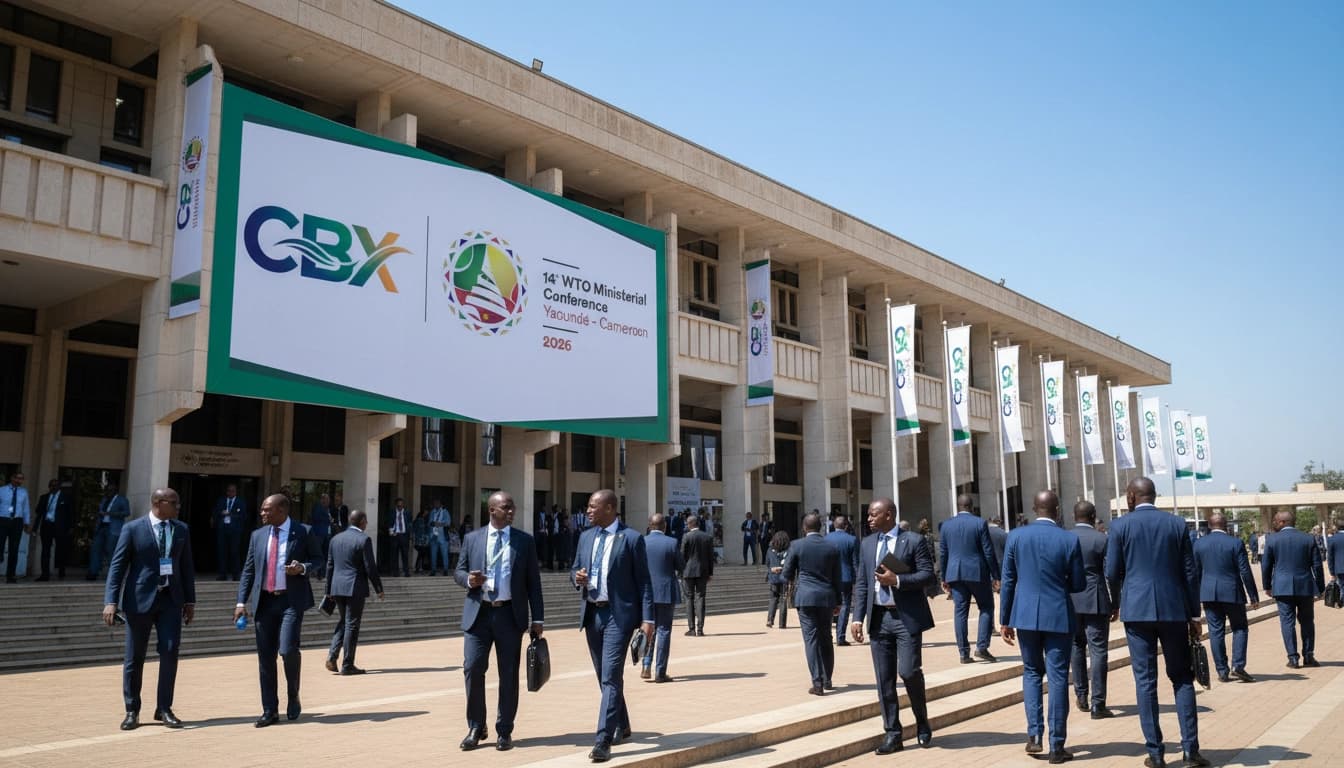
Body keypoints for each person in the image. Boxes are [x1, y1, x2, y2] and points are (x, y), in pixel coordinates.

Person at [1105, 477, 1207, 768]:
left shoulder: (1120, 526)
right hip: (1173, 609)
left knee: (1145, 681)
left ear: (1132, 496)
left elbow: (1111, 571)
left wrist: (1116, 603)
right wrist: (1193, 613)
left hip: (1136, 611)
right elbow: (1190, 573)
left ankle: (1156, 753)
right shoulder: (1176, 524)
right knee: (1182, 677)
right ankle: (1190, 751)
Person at [1000, 490, 1085, 764]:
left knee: (1032, 672)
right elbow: (1079, 583)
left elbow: (1008, 580)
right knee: (1058, 677)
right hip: (1058, 614)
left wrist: (1005, 619)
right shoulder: (1069, 539)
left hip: (1024, 615)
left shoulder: (1016, 536)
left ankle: (1034, 736)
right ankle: (1057, 745)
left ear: (1034, 508)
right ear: (1057, 510)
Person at [455, 491, 543, 752]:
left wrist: (537, 619)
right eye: (506, 507)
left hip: (509, 616)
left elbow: (533, 585)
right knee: (472, 669)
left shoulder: (524, 542)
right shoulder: (472, 538)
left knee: (508, 675)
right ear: (492, 511)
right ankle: (475, 726)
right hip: (478, 615)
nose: (511, 511)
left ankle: (504, 730)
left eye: (513, 507)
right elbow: (458, 570)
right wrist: (468, 580)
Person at [102, 487, 196, 731]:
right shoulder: (133, 529)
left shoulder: (181, 529)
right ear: (159, 503)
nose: (178, 507)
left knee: (169, 651)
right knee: (135, 657)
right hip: (139, 600)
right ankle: (132, 709)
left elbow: (186, 567)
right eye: (174, 503)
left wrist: (190, 601)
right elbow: (117, 567)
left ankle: (164, 708)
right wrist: (110, 601)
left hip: (170, 601)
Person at [571, 489, 653, 763]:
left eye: (593, 506)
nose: (588, 511)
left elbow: (644, 582)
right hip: (592, 614)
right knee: (604, 675)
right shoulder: (585, 537)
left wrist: (647, 620)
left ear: (610, 508)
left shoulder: (631, 539)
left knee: (610, 674)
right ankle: (623, 723)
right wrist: (577, 577)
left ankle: (603, 740)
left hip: (620, 616)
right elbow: (574, 570)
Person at [850, 497, 934, 753]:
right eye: (868, 514)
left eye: (873, 514)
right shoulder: (866, 544)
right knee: (883, 679)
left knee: (908, 672)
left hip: (905, 617)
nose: (869, 519)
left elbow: (928, 575)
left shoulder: (914, 541)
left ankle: (921, 722)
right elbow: (863, 582)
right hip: (878, 619)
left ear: (889, 514)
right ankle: (893, 733)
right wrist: (856, 617)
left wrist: (897, 580)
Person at [235, 493, 323, 727]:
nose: (262, 513)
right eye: (262, 509)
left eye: (267, 509)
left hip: (291, 602)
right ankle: (269, 710)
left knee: (287, 650)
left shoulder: (303, 531)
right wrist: (241, 603)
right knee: (265, 657)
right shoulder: (258, 535)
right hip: (264, 602)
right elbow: (248, 571)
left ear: (282, 510)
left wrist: (303, 567)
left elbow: (318, 559)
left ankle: (293, 695)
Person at [1194, 511, 1260, 683]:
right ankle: (1238, 665)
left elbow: (1195, 572)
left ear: (1209, 525)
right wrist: (1253, 595)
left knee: (1216, 631)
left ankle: (1222, 670)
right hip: (1232, 592)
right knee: (1240, 628)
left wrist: (1197, 595)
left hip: (1208, 594)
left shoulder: (1199, 544)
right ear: (1226, 526)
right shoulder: (1235, 543)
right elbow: (1245, 571)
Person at [784, 513, 841, 695]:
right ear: (821, 528)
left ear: (804, 527)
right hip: (826, 597)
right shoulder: (831, 547)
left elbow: (787, 573)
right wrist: (838, 601)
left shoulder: (797, 545)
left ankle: (817, 682)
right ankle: (828, 679)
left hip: (806, 597)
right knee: (826, 638)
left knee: (811, 639)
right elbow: (837, 577)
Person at [939, 493, 1000, 664]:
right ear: (972, 507)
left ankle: (963, 653)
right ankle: (981, 647)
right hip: (977, 572)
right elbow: (988, 551)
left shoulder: (946, 525)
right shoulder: (979, 523)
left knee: (960, 612)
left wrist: (944, 577)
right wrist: (995, 575)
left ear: (957, 507)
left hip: (955, 574)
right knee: (987, 607)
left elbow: (943, 553)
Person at [1261, 509, 1325, 668]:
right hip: (1305, 586)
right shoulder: (1308, 539)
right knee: (1307, 621)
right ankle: (1309, 656)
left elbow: (1266, 565)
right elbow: (1317, 565)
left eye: (1276, 520)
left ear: (1283, 522)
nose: (1274, 523)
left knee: (1287, 622)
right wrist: (1320, 587)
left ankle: (1293, 658)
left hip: (1282, 587)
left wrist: (1267, 586)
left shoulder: (1272, 540)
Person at [324, 509, 384, 675]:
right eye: (365, 521)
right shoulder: (364, 539)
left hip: (337, 587)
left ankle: (332, 655)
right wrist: (378, 588)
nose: (367, 524)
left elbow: (329, 565)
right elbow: (370, 567)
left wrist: (328, 589)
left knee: (345, 621)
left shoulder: (336, 539)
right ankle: (347, 664)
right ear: (362, 522)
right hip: (354, 587)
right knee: (352, 624)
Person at [1069, 501, 1114, 719]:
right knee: (1098, 651)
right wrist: (1116, 602)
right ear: (1093, 515)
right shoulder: (1102, 538)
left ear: (1073, 515)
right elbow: (1112, 572)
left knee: (1076, 647)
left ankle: (1081, 695)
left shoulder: (1065, 538)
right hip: (1095, 597)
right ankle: (1098, 703)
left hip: (1071, 600)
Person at [641, 513, 683, 683]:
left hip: (646, 594)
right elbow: (681, 565)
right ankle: (660, 671)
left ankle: (646, 664)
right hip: (666, 592)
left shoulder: (641, 542)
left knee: (648, 629)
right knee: (664, 631)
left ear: (649, 526)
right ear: (664, 526)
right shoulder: (671, 542)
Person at [825, 515, 860, 646]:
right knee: (845, 605)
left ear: (834, 526)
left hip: (829, 577)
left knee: (829, 605)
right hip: (846, 577)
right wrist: (858, 580)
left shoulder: (826, 539)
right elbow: (856, 562)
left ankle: (827, 635)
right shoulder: (852, 539)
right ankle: (840, 636)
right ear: (846, 526)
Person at [680, 514, 714, 636]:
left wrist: (680, 571)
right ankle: (700, 629)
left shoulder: (686, 536)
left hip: (688, 572)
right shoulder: (707, 537)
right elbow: (711, 557)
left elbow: (682, 555)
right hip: (702, 572)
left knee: (689, 599)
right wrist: (710, 572)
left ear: (690, 524)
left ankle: (691, 628)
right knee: (701, 598)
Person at [88, 483, 129, 581]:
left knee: (112, 552)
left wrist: (110, 513)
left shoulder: (122, 500)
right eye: (107, 490)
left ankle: (113, 575)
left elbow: (127, 512)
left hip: (113, 529)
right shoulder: (104, 499)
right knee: (95, 549)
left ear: (115, 491)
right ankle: (93, 572)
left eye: (110, 490)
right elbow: (100, 512)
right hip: (101, 527)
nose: (108, 492)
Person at [34, 479, 73, 581]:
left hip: (60, 527)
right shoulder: (44, 497)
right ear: (49, 487)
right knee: (45, 550)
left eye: (55, 485)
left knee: (61, 550)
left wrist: (70, 527)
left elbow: (70, 514)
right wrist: (34, 528)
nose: (53, 487)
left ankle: (61, 570)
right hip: (47, 526)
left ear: (59, 487)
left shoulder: (66, 497)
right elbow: (38, 513)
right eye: (51, 485)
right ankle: (44, 574)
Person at [0, 472, 30, 583]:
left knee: (14, 549)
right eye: (18, 478)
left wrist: (26, 523)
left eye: (22, 479)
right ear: (12, 478)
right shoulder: (2, 490)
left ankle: (10, 576)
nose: (20, 481)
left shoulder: (24, 492)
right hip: (2, 520)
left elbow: (26, 508)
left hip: (17, 521)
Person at [212, 483, 245, 581]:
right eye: (229, 491)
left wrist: (231, 514)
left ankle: (236, 574)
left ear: (236, 492)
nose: (230, 493)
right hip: (222, 530)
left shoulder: (240, 502)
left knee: (234, 552)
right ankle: (222, 574)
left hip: (234, 531)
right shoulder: (221, 501)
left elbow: (243, 516)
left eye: (233, 491)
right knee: (222, 552)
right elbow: (215, 513)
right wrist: (220, 514)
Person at [765, 530, 791, 629]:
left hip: (773, 577)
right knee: (783, 600)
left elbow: (767, 563)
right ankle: (782, 623)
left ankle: (770, 620)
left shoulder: (770, 550)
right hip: (785, 577)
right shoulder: (789, 550)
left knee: (773, 599)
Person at [388, 497, 412, 577]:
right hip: (395, 535)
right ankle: (395, 572)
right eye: (398, 506)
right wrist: (391, 532)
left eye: (401, 506)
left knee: (405, 554)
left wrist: (409, 532)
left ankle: (406, 572)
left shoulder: (407, 513)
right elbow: (389, 522)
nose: (400, 507)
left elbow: (410, 523)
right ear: (396, 505)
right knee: (394, 555)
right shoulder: (392, 512)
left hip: (404, 535)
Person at [429, 499, 451, 575]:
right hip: (433, 536)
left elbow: (448, 523)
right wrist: (435, 523)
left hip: (443, 537)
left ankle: (445, 570)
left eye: (437, 503)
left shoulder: (445, 512)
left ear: (441, 505)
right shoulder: (432, 512)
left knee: (444, 554)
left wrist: (438, 524)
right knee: (433, 554)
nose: (436, 505)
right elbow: (430, 523)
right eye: (435, 503)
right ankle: (433, 570)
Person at [309, 492, 332, 557]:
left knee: (325, 551)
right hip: (319, 533)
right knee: (318, 551)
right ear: (322, 499)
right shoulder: (318, 507)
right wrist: (328, 519)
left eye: (329, 499)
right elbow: (316, 518)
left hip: (325, 533)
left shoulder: (326, 508)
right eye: (327, 499)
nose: (328, 501)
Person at [412, 508, 431, 574]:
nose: (426, 514)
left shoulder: (426, 521)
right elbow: (414, 530)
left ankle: (420, 568)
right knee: (421, 554)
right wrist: (413, 539)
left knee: (422, 554)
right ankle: (418, 568)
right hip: (419, 541)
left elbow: (427, 531)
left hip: (425, 541)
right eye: (425, 513)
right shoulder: (417, 521)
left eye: (427, 513)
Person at [1327, 517, 1344, 587]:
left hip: (1340, 569)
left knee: (1342, 588)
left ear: (1336, 528)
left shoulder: (1332, 539)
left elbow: (1330, 557)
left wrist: (1332, 572)